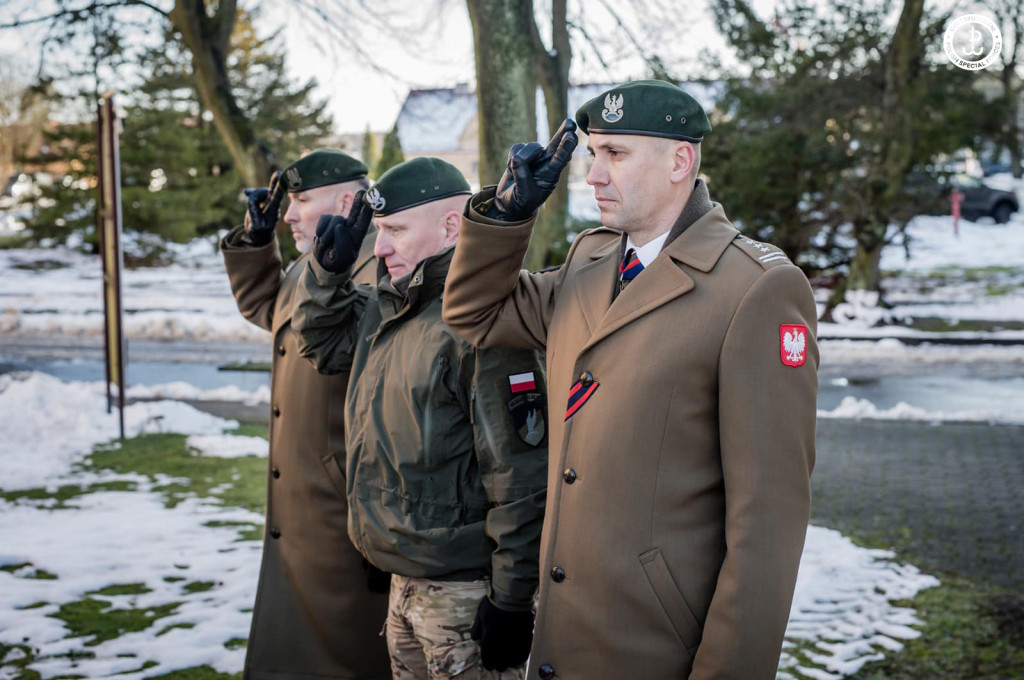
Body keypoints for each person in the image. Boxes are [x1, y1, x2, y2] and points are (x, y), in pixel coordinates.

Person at [442, 80, 819, 679]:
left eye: (614, 154)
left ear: (680, 160)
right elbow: (474, 314)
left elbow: (767, 525)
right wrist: (508, 216)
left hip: (657, 648)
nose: (592, 174)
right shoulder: (590, 262)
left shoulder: (754, 287)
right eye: (593, 154)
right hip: (564, 638)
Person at [291, 157, 549, 680]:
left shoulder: (484, 324)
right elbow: (320, 344)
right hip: (402, 582)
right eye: (379, 231)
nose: (380, 249)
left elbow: (521, 478)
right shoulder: (389, 306)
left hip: (464, 597)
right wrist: (327, 273)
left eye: (396, 231)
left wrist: (512, 603)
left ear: (452, 227)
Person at [221, 148, 389, 680]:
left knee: (345, 648)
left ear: (347, 200)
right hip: (303, 498)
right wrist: (256, 239)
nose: (290, 214)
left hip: (338, 500)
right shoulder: (319, 258)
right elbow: (272, 309)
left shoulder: (376, 262)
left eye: (300, 202)